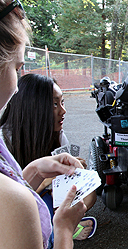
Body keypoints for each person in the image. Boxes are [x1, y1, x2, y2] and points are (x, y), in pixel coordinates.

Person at [0, 1, 86, 248]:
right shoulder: (13, 203)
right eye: (17, 68)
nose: (17, 86)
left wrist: (34, 171)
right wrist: (64, 230)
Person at [0, 73, 97, 241]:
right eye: (54, 104)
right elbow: (10, 201)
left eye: (62, 102)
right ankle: (60, 230)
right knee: (43, 202)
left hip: (45, 196)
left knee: (89, 193)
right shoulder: (5, 143)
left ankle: (61, 224)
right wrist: (44, 183)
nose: (63, 110)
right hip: (19, 208)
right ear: (32, 107)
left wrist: (76, 176)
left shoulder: (58, 136)